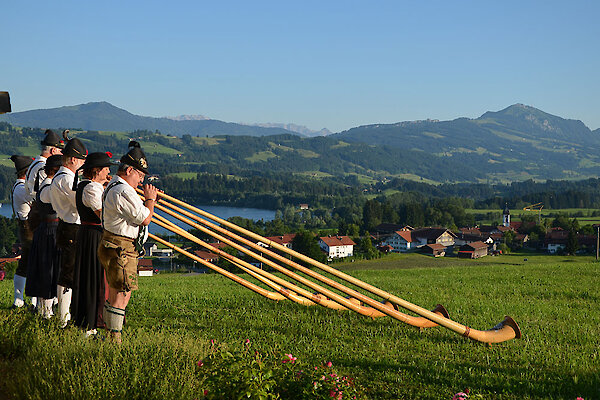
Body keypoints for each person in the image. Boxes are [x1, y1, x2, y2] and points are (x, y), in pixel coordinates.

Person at [98, 142, 157, 343]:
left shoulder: (116, 186)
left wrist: (148, 201)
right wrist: (150, 200)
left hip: (116, 246)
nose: (141, 182)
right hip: (121, 248)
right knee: (122, 293)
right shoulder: (122, 190)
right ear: (129, 170)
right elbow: (144, 218)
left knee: (117, 291)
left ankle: (110, 333)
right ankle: (115, 338)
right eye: (139, 176)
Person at [72, 152, 115, 336]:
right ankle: (91, 323)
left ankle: (92, 321)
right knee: (93, 279)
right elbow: (103, 215)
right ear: (97, 171)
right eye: (106, 169)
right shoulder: (91, 189)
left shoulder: (91, 186)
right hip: (93, 236)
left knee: (94, 278)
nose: (108, 172)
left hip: (90, 234)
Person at [50, 138, 87, 327]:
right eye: (81, 161)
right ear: (72, 159)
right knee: (69, 274)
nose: (82, 165)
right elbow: (80, 202)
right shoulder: (65, 178)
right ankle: (63, 318)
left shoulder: (61, 177)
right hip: (72, 226)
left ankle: (65, 316)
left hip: (68, 225)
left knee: (69, 272)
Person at [25, 155, 63, 318]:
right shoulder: (49, 187)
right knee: (48, 270)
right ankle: (45, 312)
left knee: (48, 270)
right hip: (50, 231)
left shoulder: (47, 185)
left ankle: (45, 310)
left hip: (48, 230)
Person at [10, 155, 33, 309]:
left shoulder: (19, 187)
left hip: (25, 226)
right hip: (29, 227)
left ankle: (19, 300)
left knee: (25, 263)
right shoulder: (21, 188)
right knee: (29, 263)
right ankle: (22, 300)